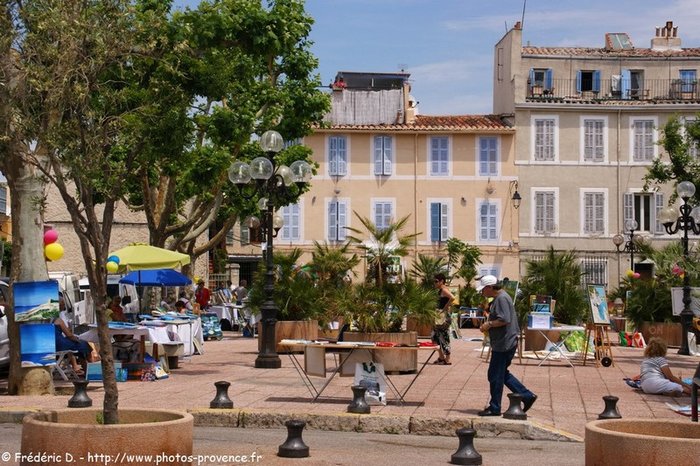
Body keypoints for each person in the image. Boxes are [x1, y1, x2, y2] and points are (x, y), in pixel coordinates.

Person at [478, 275, 537, 416]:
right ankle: (526, 395)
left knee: (495, 375)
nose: (482, 293)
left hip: (504, 343)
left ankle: (495, 407)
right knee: (500, 374)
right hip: (502, 342)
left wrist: (488, 324)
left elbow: (504, 319)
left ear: (490, 287)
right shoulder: (499, 298)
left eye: (483, 289)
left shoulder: (502, 298)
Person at [53, 296, 97, 374]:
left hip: (53, 344)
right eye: (62, 304)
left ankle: (86, 369)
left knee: (81, 346)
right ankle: (90, 370)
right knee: (84, 345)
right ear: (58, 306)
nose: (64, 306)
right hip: (60, 344)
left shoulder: (47, 319)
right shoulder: (58, 320)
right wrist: (77, 339)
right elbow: (69, 335)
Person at [431, 273, 454, 365]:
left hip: (442, 317)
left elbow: (452, 297)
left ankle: (447, 358)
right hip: (438, 316)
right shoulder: (440, 290)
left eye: (436, 281)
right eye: (434, 281)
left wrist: (445, 308)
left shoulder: (444, 290)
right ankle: (441, 357)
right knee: (434, 336)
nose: (435, 283)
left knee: (444, 336)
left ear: (442, 281)